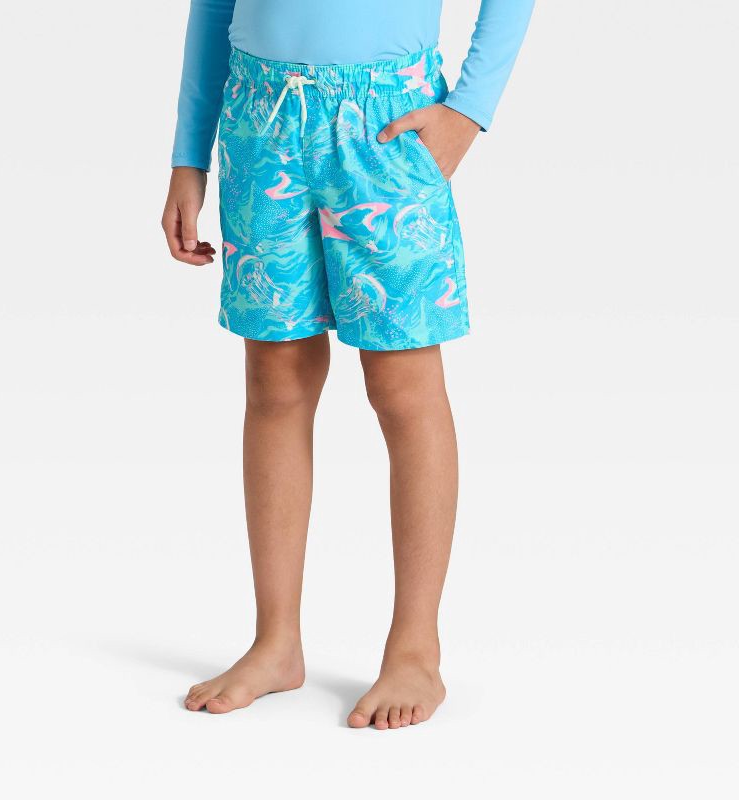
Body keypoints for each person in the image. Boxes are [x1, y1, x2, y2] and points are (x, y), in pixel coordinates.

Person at [161, 0, 534, 730]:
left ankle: (415, 648)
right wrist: (188, 155)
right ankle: (276, 641)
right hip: (261, 119)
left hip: (386, 125)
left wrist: (470, 109)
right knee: (276, 381)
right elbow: (212, 8)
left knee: (402, 387)